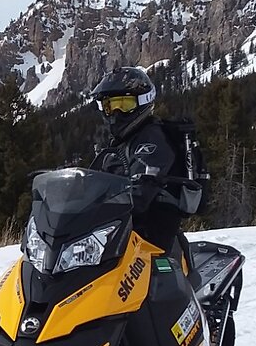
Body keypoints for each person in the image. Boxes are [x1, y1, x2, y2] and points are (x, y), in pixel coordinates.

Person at [88, 66, 207, 257]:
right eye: (111, 106)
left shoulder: (152, 140)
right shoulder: (122, 143)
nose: (116, 113)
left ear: (143, 103)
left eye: (124, 105)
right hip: (119, 233)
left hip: (151, 239)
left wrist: (99, 207)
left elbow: (141, 190)